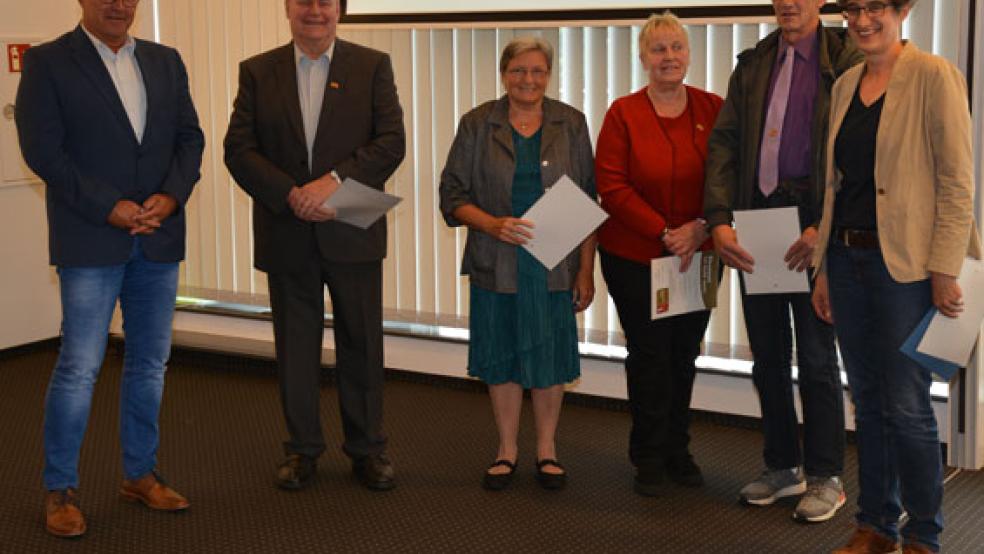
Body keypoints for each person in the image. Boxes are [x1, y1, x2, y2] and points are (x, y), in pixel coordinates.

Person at [14, 0, 204, 538]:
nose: (119, 4)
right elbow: (44, 151)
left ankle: (140, 474)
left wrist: (171, 195)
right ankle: (60, 490)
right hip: (91, 237)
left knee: (150, 364)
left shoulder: (166, 60)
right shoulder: (49, 62)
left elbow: (190, 139)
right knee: (78, 368)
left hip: (158, 235)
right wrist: (108, 206)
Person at [811, 1, 981, 552]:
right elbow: (836, 187)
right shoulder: (845, 85)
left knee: (908, 407)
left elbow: (957, 183)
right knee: (868, 400)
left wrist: (944, 269)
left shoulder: (934, 76)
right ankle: (875, 526)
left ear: (901, 9)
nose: (862, 19)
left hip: (907, 269)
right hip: (845, 259)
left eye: (875, 6)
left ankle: (924, 537)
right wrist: (822, 272)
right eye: (853, 8)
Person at [224, 0, 405, 492]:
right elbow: (238, 150)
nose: (314, 11)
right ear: (288, 8)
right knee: (296, 349)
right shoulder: (257, 72)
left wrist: (333, 182)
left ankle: (368, 450)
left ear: (340, 11)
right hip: (288, 230)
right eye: (304, 1)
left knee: (361, 345)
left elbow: (391, 142)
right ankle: (302, 450)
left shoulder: (371, 66)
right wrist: (291, 195)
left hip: (351, 226)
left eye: (325, 2)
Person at [704, 0, 863, 522]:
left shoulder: (847, 59)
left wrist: (826, 220)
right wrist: (720, 217)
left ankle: (826, 477)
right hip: (757, 219)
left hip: (815, 220)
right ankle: (782, 467)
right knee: (768, 356)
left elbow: (856, 151)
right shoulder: (753, 63)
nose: (789, 3)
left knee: (817, 358)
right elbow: (725, 144)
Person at [439, 36, 596, 491]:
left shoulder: (571, 122)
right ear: (504, 74)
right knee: (502, 355)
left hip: (554, 264)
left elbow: (588, 201)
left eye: (538, 71)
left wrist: (586, 270)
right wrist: (491, 225)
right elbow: (452, 195)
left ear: (549, 75)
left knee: (548, 357)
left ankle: (546, 450)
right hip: (497, 258)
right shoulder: (476, 124)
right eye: (518, 71)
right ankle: (506, 449)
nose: (528, 79)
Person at [594, 12, 722, 496]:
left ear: (688, 54)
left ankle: (678, 451)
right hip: (634, 256)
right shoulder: (623, 113)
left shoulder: (715, 108)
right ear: (643, 58)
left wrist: (700, 228)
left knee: (684, 355)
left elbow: (727, 180)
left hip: (700, 254)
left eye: (677, 48)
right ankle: (647, 455)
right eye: (658, 49)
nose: (668, 57)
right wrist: (665, 231)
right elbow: (612, 185)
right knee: (649, 356)